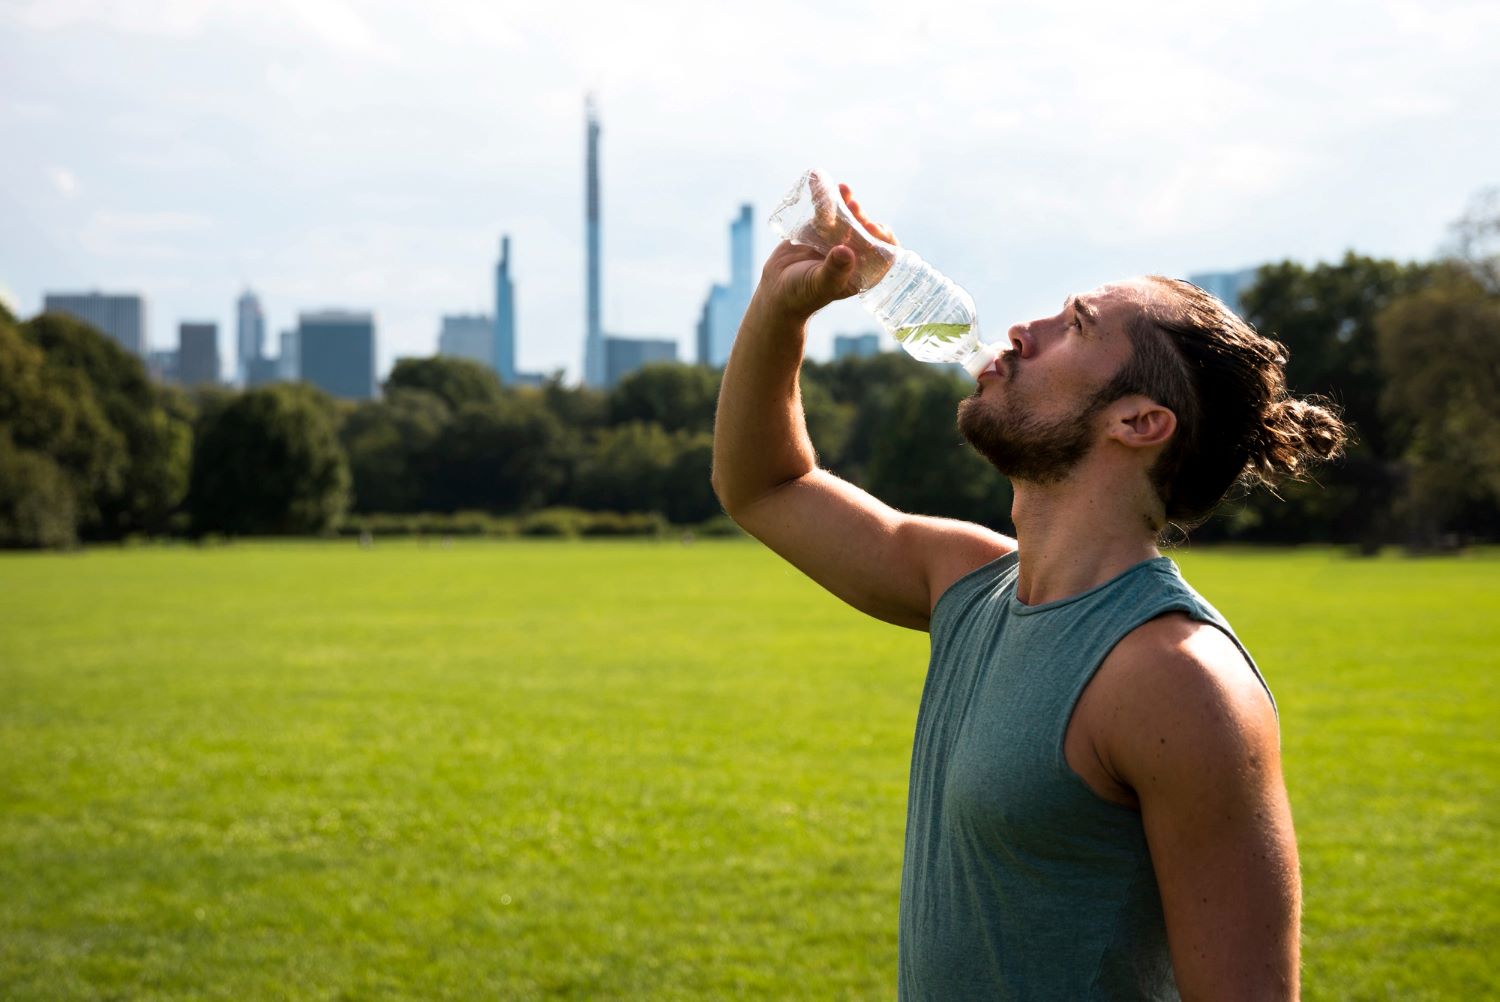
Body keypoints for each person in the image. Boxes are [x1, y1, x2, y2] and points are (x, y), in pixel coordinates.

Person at [711, 182, 1348, 1001]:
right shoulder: (967, 583)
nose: (1022, 329)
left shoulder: (1179, 682)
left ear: (1139, 422)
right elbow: (764, 485)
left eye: (1075, 325)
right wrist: (780, 307)